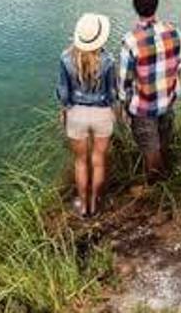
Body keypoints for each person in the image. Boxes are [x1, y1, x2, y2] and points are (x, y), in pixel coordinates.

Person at [56, 12, 118, 217]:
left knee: (81, 161)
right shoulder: (108, 60)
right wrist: (113, 111)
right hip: (102, 113)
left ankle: (83, 208)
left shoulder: (65, 58)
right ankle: (94, 205)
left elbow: (63, 93)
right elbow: (112, 93)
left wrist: (64, 110)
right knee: (98, 160)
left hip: (76, 114)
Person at [119, 0, 181, 181]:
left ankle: (156, 189)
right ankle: (167, 178)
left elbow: (124, 82)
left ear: (136, 8)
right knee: (163, 143)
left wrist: (124, 106)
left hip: (144, 107)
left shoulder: (131, 41)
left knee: (150, 151)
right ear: (156, 5)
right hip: (168, 100)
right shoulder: (174, 32)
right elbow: (179, 65)